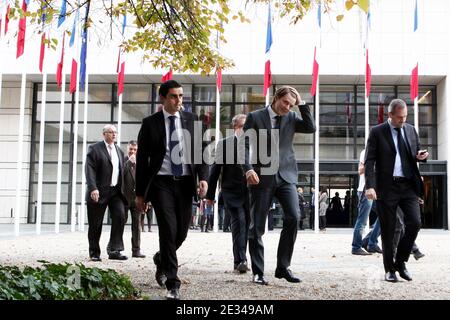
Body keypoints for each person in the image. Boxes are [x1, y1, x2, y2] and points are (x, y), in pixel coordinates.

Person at [135, 80, 208, 300]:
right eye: (174, 96)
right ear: (163, 98)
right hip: (161, 183)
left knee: (182, 232)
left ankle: (161, 259)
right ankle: (173, 283)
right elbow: (142, 160)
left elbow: (201, 152)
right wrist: (140, 193)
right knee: (167, 229)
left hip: (185, 183)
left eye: (181, 96)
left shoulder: (191, 120)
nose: (179, 101)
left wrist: (203, 178)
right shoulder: (150, 123)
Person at [243, 86, 315, 285]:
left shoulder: (292, 117)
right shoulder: (255, 117)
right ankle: (258, 272)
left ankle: (283, 267)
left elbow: (310, 128)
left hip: (286, 176)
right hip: (261, 177)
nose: (287, 107)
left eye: (291, 104)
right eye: (285, 102)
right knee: (256, 227)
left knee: (294, 217)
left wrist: (302, 104)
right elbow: (244, 146)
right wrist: (248, 169)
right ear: (276, 98)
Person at [365, 98, 428, 282]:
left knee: (415, 223)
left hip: (408, 185)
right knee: (388, 229)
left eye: (405, 116)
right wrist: (370, 186)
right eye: (399, 117)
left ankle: (400, 262)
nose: (403, 120)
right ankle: (389, 270)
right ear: (390, 115)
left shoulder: (410, 129)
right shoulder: (377, 132)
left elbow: (415, 154)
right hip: (387, 187)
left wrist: (421, 157)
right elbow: (370, 160)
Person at [206, 114, 250, 273]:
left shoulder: (254, 144)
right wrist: (210, 195)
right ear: (235, 128)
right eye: (242, 126)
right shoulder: (224, 145)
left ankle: (239, 259)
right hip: (232, 191)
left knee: (247, 226)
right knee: (240, 223)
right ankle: (241, 260)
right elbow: (215, 170)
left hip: (251, 194)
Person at [85, 124, 127, 261]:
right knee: (95, 223)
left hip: (115, 191)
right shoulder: (95, 149)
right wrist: (93, 188)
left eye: (115, 132)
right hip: (99, 192)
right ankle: (94, 252)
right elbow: (89, 169)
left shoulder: (119, 152)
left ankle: (114, 250)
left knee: (120, 216)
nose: (114, 134)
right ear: (104, 134)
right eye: (111, 132)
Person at [351, 148, 382, 255]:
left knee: (385, 216)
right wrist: (372, 164)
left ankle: (371, 242)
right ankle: (356, 246)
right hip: (366, 189)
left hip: (378, 191)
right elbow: (360, 170)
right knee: (362, 221)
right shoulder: (366, 152)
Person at [123, 140, 146, 258]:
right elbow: (119, 175)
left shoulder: (141, 163)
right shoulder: (123, 160)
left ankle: (136, 250)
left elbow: (145, 181)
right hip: (124, 198)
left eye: (135, 150)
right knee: (120, 223)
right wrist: (128, 162)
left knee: (137, 226)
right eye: (131, 149)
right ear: (127, 149)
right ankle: (116, 248)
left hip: (137, 199)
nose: (133, 152)